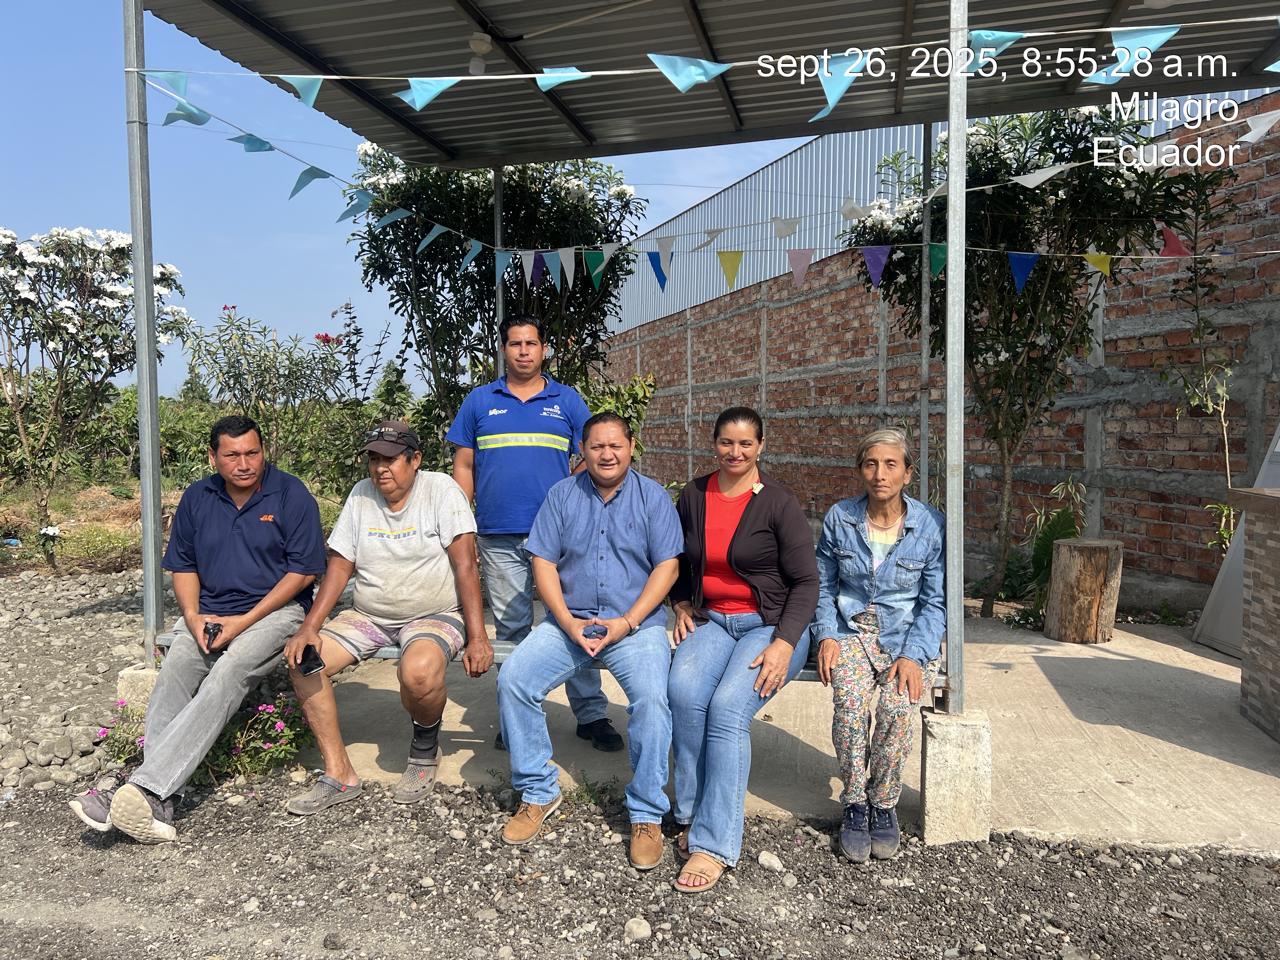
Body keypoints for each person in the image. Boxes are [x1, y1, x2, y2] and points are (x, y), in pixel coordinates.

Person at [68, 415, 326, 843]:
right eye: (232, 455)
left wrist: (242, 622)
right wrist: (193, 617)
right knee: (175, 670)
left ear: (263, 452)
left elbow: (303, 573)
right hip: (210, 613)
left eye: (252, 453)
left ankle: (147, 788)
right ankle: (155, 798)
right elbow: (183, 566)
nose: (244, 464)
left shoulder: (290, 494)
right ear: (212, 457)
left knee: (231, 671)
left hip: (277, 612)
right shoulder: (197, 497)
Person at [496, 413, 682, 871]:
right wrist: (566, 621)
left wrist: (628, 622)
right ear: (582, 450)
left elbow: (668, 566)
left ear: (632, 446)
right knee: (514, 680)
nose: (607, 454)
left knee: (653, 701)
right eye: (597, 446)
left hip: (635, 626)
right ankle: (538, 791)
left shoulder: (653, 498)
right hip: (571, 622)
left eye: (615, 445)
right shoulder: (562, 496)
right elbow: (543, 562)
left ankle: (646, 813)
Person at [281, 421, 494, 815]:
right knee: (304, 661)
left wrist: (478, 637)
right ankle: (339, 773)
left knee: (418, 674)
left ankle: (424, 748)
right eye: (374, 459)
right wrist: (309, 627)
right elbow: (340, 565)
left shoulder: (441, 490)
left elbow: (466, 565)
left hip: (433, 613)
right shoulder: (361, 495)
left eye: (391, 459)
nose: (380, 468)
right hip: (370, 614)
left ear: (415, 460)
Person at [446, 314, 622, 753]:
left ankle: (591, 714)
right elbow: (463, 466)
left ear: (544, 349)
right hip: (499, 535)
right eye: (515, 343)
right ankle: (517, 715)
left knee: (576, 620)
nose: (523, 351)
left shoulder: (567, 400)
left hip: (562, 536)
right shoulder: (480, 401)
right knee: (512, 628)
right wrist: (461, 523)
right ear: (503, 350)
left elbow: (594, 452)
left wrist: (570, 495)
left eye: (531, 343)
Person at [667, 407, 818, 893]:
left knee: (728, 710)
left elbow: (807, 582)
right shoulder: (694, 494)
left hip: (771, 625)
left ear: (761, 447)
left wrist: (784, 643)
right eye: (726, 442)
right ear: (713, 443)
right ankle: (693, 813)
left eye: (746, 444)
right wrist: (680, 603)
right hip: (713, 620)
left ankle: (714, 845)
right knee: (684, 693)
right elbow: (678, 559)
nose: (735, 452)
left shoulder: (778, 502)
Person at [813, 427, 945, 863]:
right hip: (852, 630)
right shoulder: (840, 518)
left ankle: (883, 802)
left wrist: (913, 655)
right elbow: (823, 585)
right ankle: (855, 802)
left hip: (905, 636)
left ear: (908, 473)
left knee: (897, 706)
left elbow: (935, 602)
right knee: (850, 704)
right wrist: (826, 634)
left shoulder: (929, 525)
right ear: (860, 470)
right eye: (871, 464)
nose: (880, 474)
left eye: (891, 464)